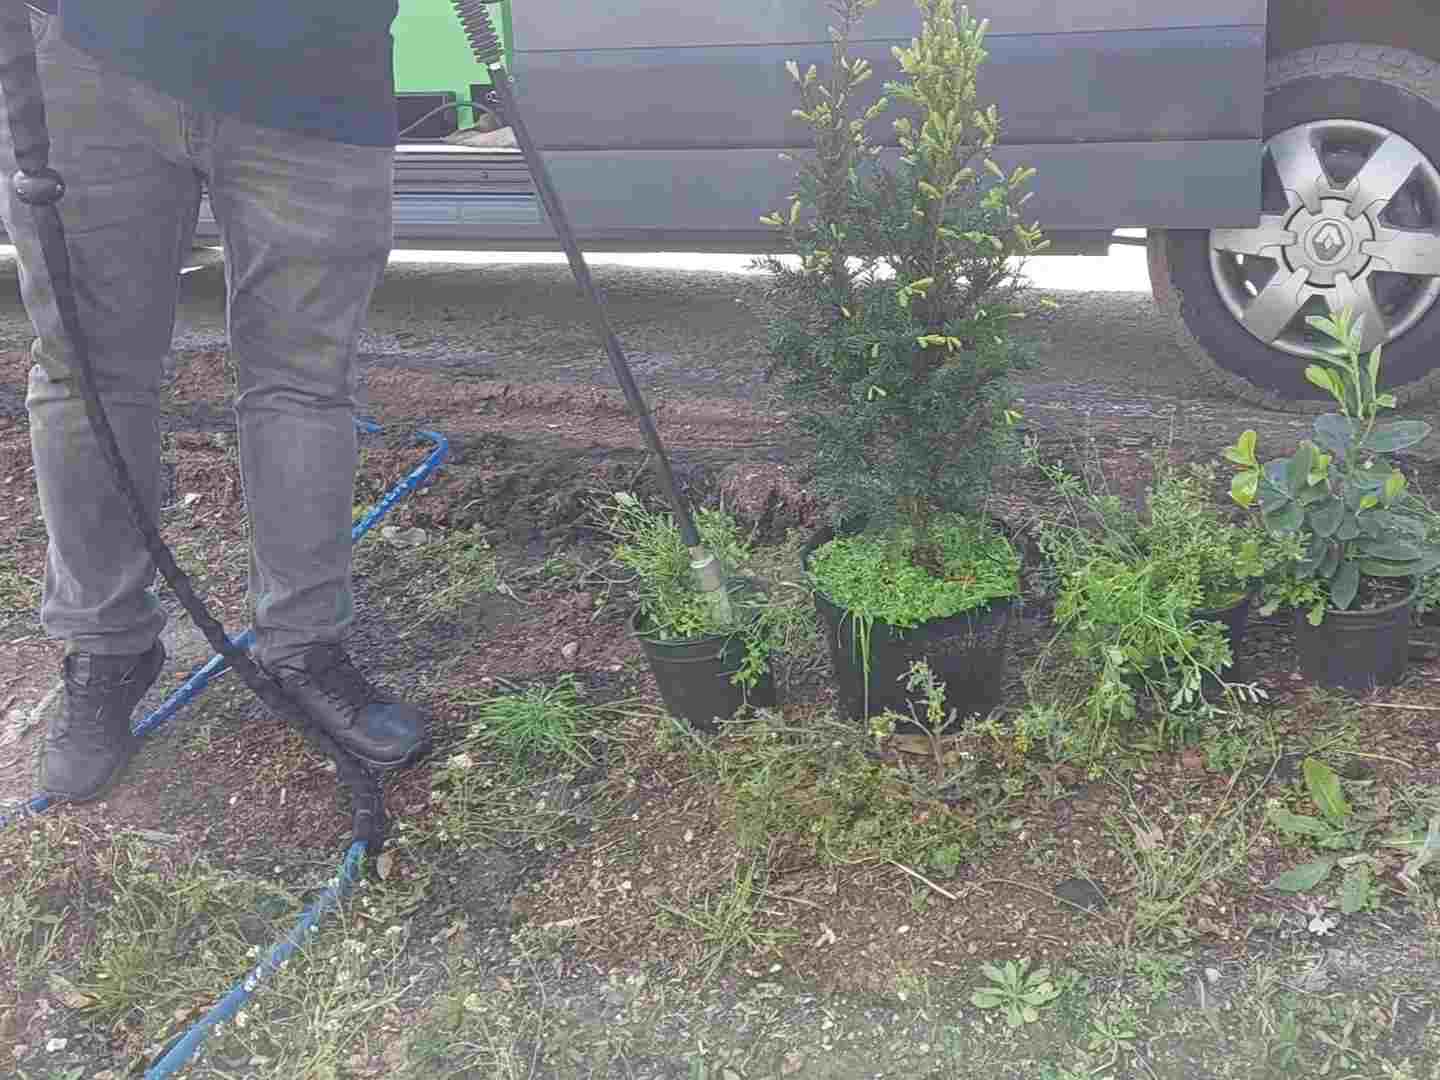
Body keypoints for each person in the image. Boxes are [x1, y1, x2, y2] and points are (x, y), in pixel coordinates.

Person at [2, 2, 429, 802]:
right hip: (87, 55)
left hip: (317, 66)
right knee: (84, 375)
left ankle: (303, 647)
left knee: (304, 381)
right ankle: (106, 648)